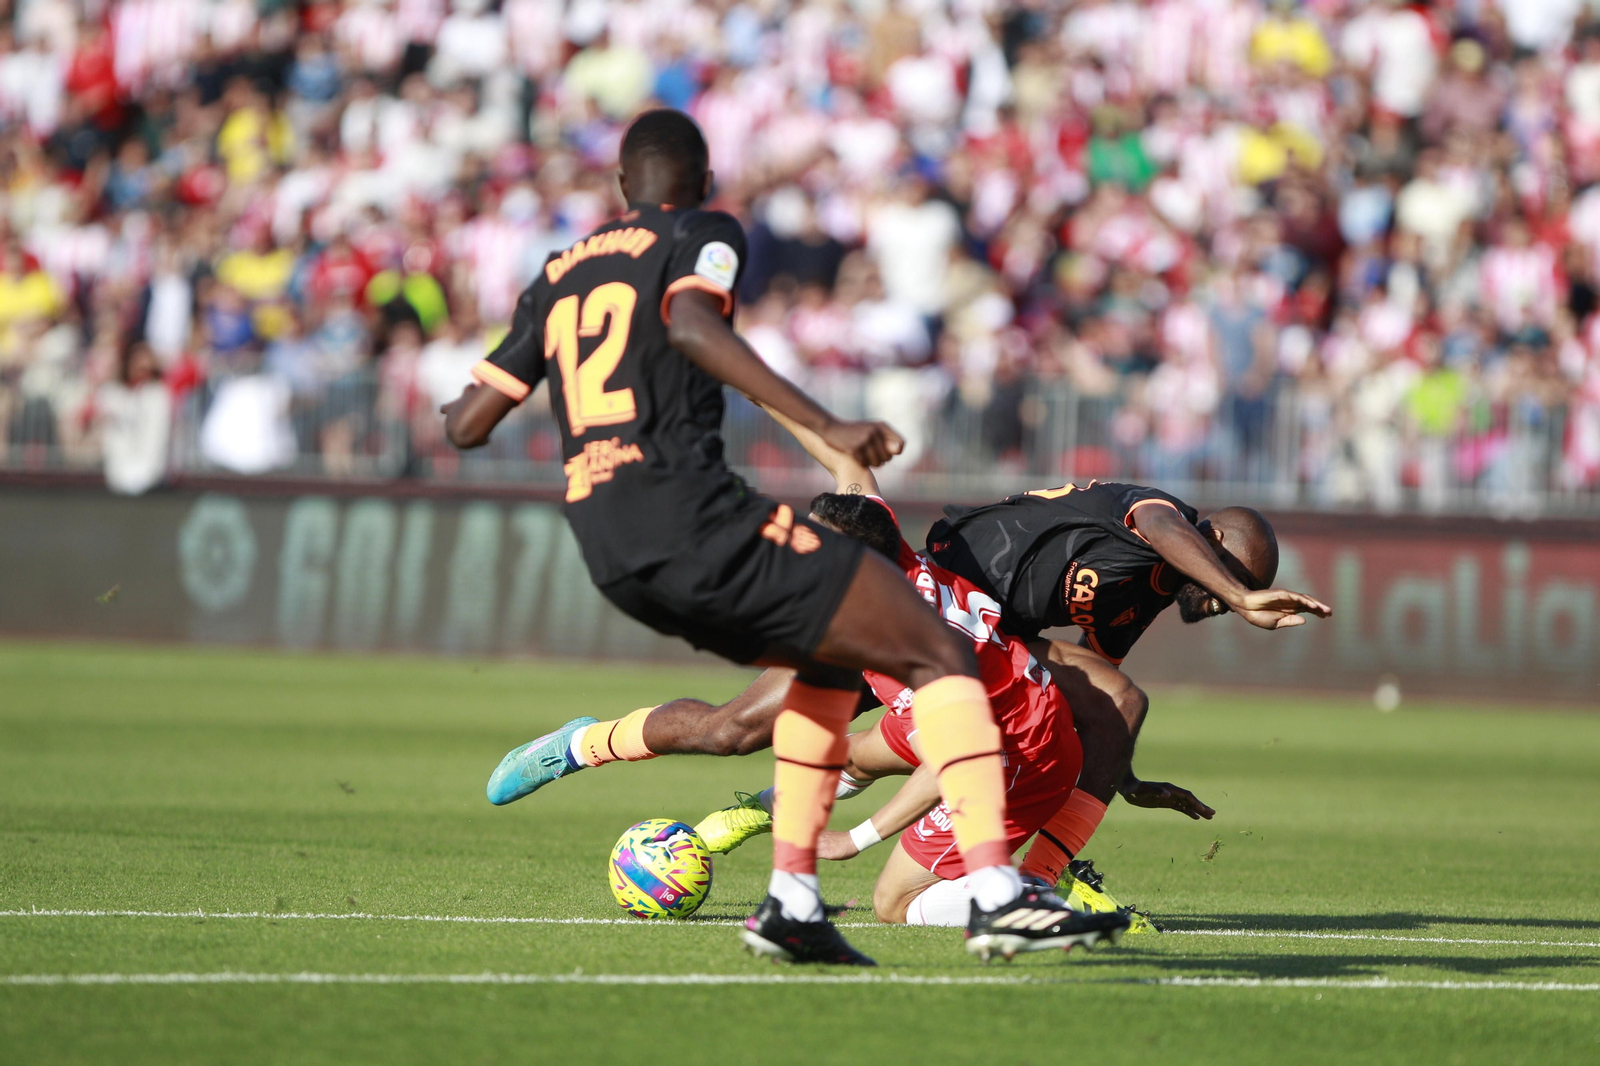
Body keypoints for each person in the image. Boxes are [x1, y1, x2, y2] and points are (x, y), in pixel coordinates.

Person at [442, 109, 1116, 965]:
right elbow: (698, 329)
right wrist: (813, 410)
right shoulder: (702, 229)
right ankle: (990, 893)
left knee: (802, 706)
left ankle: (788, 897)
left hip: (605, 534)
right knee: (873, 687)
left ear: (619, 187)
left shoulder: (557, 271)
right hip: (691, 512)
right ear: (706, 182)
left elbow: (468, 424)